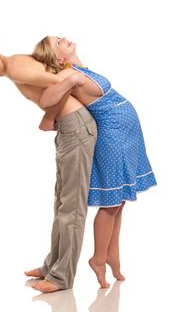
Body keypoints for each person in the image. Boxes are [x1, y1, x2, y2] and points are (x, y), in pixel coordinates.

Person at [0, 37, 97, 293]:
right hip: (69, 128)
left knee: (72, 207)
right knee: (61, 203)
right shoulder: (15, 67)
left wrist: (48, 116)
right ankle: (52, 266)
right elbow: (58, 80)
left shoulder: (15, 66)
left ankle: (61, 278)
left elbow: (65, 80)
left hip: (76, 126)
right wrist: (51, 116)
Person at [26, 36, 157, 288]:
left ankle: (112, 254)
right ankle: (98, 258)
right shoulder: (69, 76)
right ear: (58, 58)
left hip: (125, 133)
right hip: (112, 136)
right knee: (110, 202)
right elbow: (51, 98)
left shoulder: (79, 70)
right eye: (59, 43)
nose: (64, 39)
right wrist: (49, 116)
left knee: (119, 200)